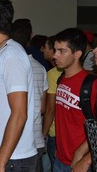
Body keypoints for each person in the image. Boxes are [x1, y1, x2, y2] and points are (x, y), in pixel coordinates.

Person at [0, 0, 37, 172]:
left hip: (13, 159)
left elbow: (19, 114)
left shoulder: (11, 55)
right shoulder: (2, 54)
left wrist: (0, 162)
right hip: (6, 156)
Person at [51, 28, 97, 172]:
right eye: (55, 50)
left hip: (80, 162)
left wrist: (83, 155)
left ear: (77, 54)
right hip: (60, 158)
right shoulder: (61, 79)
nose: (55, 55)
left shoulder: (91, 85)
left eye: (62, 51)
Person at [11, 19, 48, 172]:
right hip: (36, 139)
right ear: (30, 37)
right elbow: (43, 108)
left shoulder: (10, 65)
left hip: (14, 140)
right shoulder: (41, 68)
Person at [41, 35, 62, 172]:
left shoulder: (52, 74)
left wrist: (43, 134)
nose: (43, 51)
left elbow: (50, 109)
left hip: (54, 133)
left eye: (47, 48)